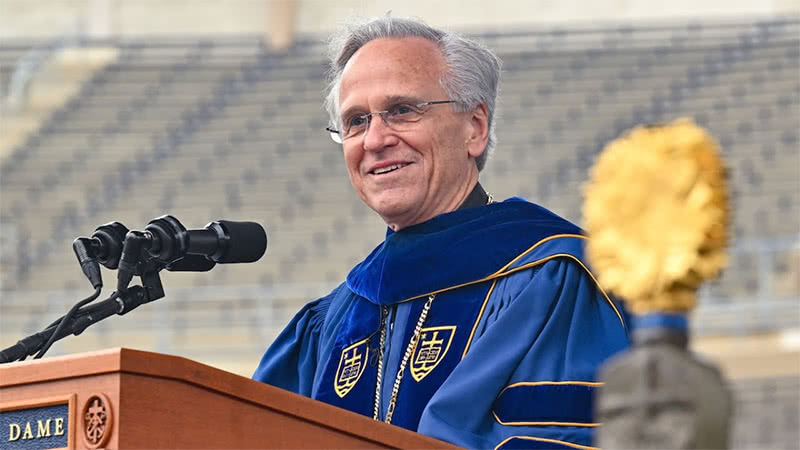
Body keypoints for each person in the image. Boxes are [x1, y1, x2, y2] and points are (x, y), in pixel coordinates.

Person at [253, 16, 629, 449]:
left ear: (475, 128)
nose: (374, 140)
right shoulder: (333, 320)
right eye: (356, 120)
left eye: (401, 110)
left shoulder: (554, 278)